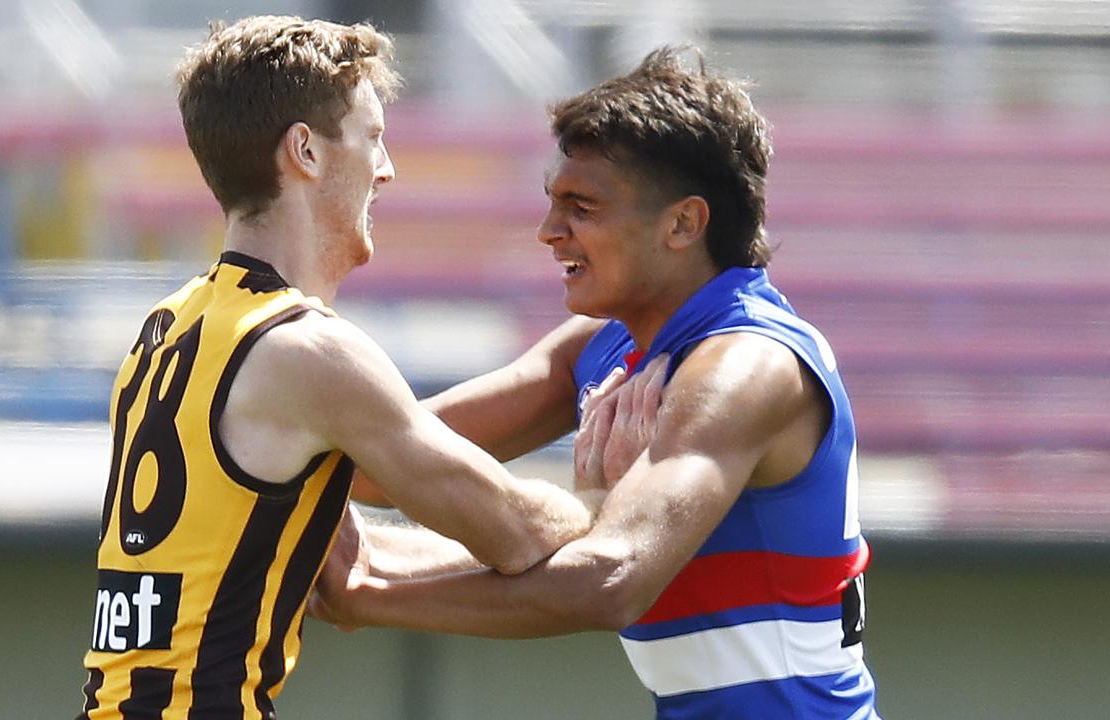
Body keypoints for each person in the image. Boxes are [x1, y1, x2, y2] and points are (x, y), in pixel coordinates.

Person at [314, 47, 881, 719]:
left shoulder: (747, 367)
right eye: (553, 202)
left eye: (580, 207)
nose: (549, 231)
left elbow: (610, 579)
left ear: (683, 224)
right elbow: (391, 462)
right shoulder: (607, 343)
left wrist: (369, 593)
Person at [73, 16, 597, 720]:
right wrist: (604, 504)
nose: (387, 169)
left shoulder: (167, 328)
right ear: (306, 152)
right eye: (373, 137)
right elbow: (517, 533)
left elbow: (336, 572)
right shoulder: (310, 352)